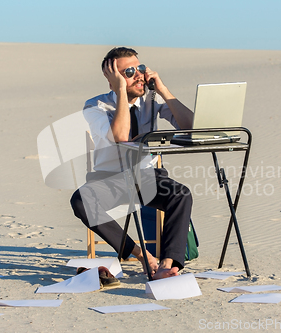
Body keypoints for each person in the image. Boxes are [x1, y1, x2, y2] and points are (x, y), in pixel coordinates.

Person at [70, 47, 194, 280]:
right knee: (81, 201)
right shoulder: (95, 106)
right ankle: (141, 255)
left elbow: (190, 128)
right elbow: (121, 137)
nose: (139, 75)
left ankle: (168, 263)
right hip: (111, 179)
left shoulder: (151, 98)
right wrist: (121, 94)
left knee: (181, 194)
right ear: (113, 80)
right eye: (129, 72)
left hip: (148, 177)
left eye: (141, 68)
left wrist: (163, 90)